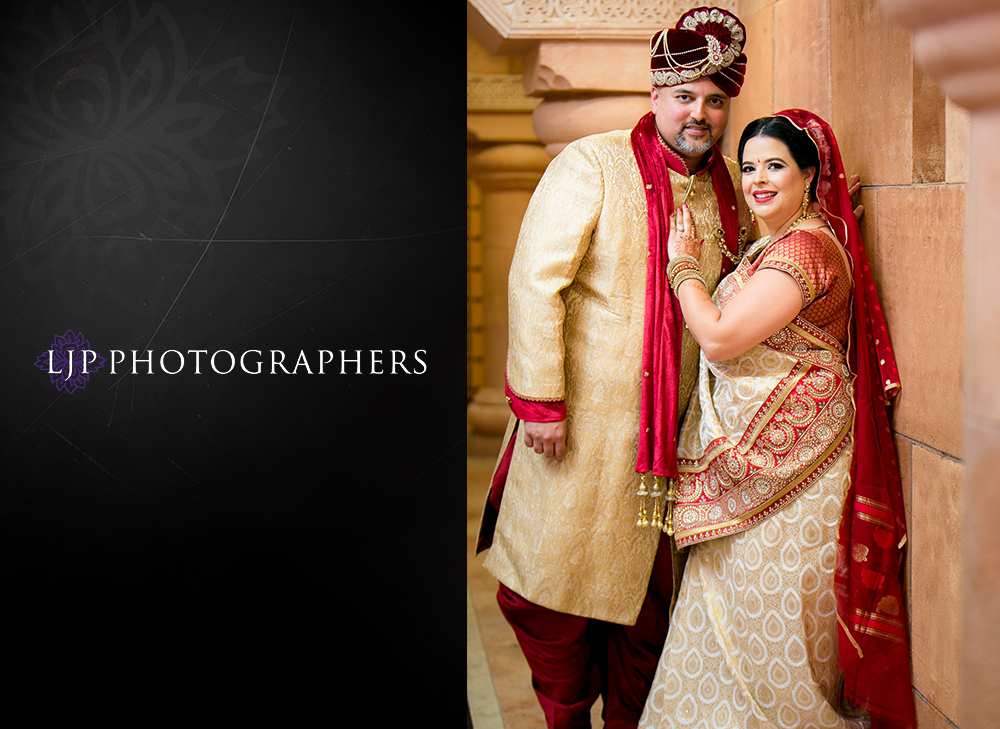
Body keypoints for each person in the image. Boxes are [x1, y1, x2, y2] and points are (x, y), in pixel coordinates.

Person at [475, 7, 756, 728]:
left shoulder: (730, 185)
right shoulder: (593, 162)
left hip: (679, 440)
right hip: (583, 433)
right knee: (555, 588)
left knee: (649, 612)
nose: (700, 112)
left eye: (716, 98)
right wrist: (541, 402)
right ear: (655, 93)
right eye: (686, 94)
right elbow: (537, 281)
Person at [637, 110, 915, 728]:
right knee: (726, 624)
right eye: (751, 167)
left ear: (809, 175)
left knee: (772, 641)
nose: (758, 180)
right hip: (759, 474)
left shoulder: (806, 250)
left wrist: (682, 265)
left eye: (777, 167)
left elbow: (719, 338)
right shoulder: (780, 244)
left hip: (791, 478)